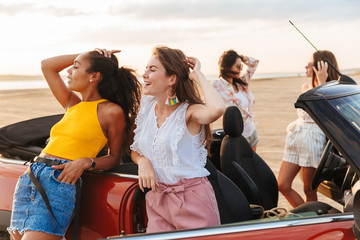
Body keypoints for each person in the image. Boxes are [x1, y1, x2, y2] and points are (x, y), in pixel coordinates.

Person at [8, 49, 142, 240]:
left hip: (59, 181)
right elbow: (47, 65)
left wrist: (87, 162)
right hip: (31, 178)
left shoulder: (111, 111)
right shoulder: (72, 103)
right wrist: (88, 53)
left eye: (76, 66)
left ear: (94, 76)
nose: (69, 71)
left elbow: (114, 158)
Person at [130, 46, 225, 233]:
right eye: (146, 68)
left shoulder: (189, 112)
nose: (145, 74)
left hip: (193, 199)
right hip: (157, 198)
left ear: (172, 79)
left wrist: (198, 74)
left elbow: (217, 110)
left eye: (152, 69)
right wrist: (142, 162)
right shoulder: (147, 109)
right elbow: (136, 149)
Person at [277, 50, 340, 208]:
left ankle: (310, 218)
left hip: (312, 139)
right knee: (283, 185)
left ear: (321, 66)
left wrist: (322, 82)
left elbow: (326, 114)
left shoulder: (331, 87)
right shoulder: (305, 86)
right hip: (296, 136)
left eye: (310, 64)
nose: (305, 66)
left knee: (308, 189)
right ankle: (305, 214)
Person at [211, 50, 259, 151]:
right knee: (241, 166)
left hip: (251, 132)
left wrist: (241, 57)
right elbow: (205, 102)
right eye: (238, 66)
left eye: (241, 66)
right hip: (237, 137)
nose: (241, 69)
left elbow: (254, 63)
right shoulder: (217, 85)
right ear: (227, 67)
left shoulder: (241, 83)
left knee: (252, 165)